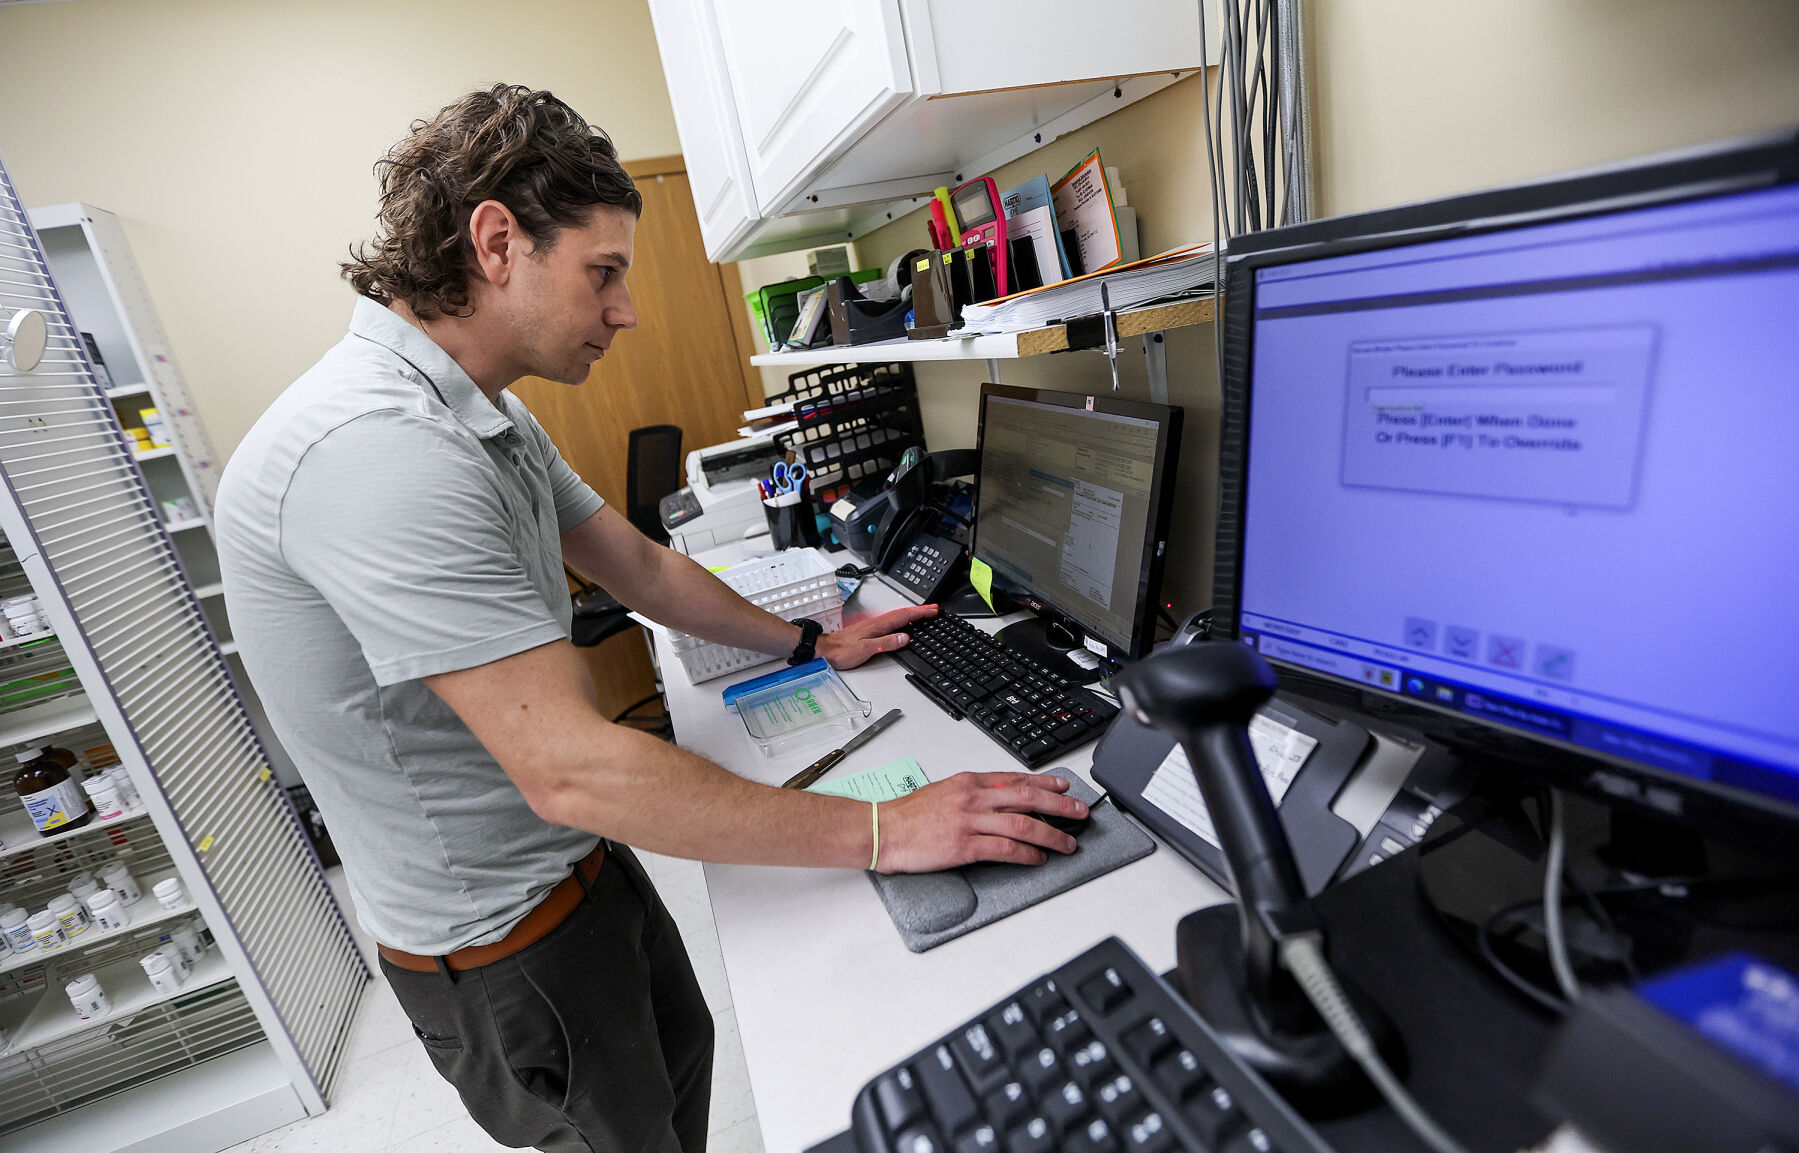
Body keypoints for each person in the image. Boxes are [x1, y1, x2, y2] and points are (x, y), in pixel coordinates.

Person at [214, 84, 1086, 1153]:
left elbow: (636, 565)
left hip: (581, 874)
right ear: (496, 242)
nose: (625, 309)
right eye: (604, 271)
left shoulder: (484, 411)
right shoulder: (376, 448)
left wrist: (814, 641)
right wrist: (884, 828)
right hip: (507, 945)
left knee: (681, 1100)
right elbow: (571, 767)